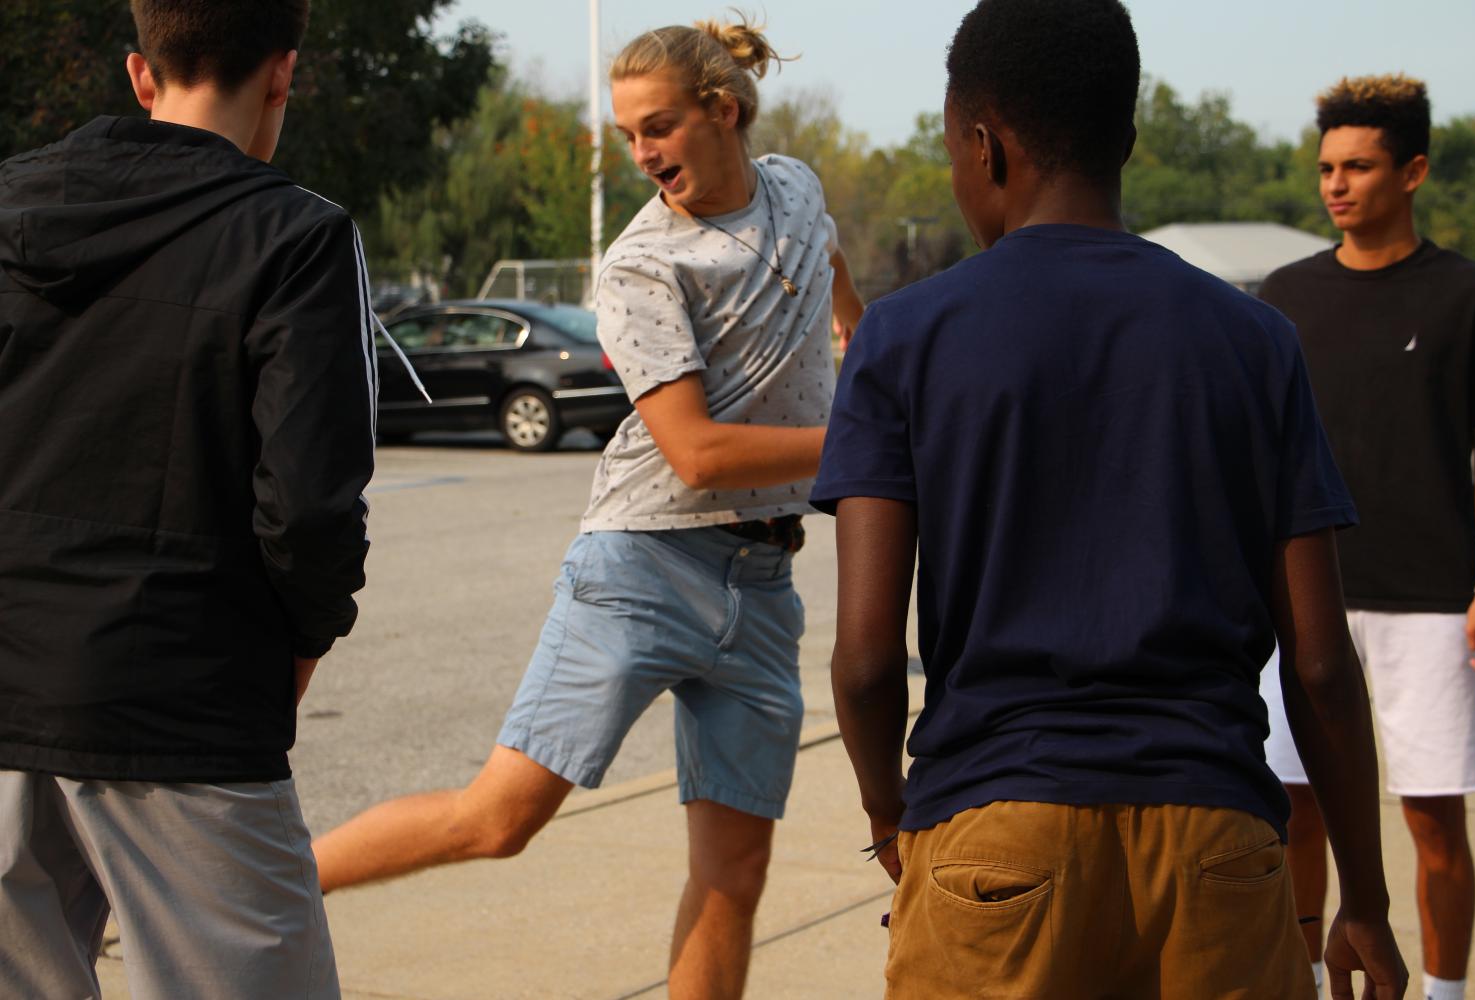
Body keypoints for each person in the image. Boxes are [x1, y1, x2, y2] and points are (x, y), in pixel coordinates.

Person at [810, 0, 1408, 996]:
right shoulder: (1255, 339)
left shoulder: (905, 337)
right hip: (1217, 839)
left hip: (996, 834)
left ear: (983, 145)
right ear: (1126, 139)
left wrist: (893, 818)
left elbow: (868, 661)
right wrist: (1369, 903)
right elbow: (1319, 663)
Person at [313, 14, 863, 998]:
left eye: (657, 128)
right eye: (627, 137)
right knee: (499, 821)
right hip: (644, 565)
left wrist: (873, 357)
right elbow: (694, 454)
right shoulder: (644, 263)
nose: (643, 154)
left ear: (723, 110)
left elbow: (831, 275)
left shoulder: (797, 187)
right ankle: (245, 888)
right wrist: (870, 440)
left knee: (736, 876)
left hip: (767, 580)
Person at [0, 1, 378, 997]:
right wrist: (295, 647)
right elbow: (309, 506)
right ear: (283, 76)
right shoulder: (295, 237)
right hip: (185, 704)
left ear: (140, 72)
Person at [1258, 74, 1475, 1000]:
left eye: (1358, 165)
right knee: (1295, 809)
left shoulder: (1471, 297)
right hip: (1299, 597)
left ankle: (1441, 993)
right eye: (1326, 167)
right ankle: (1303, 982)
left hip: (1431, 600)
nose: (1337, 184)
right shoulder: (1285, 295)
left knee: (1435, 820)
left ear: (1415, 170)